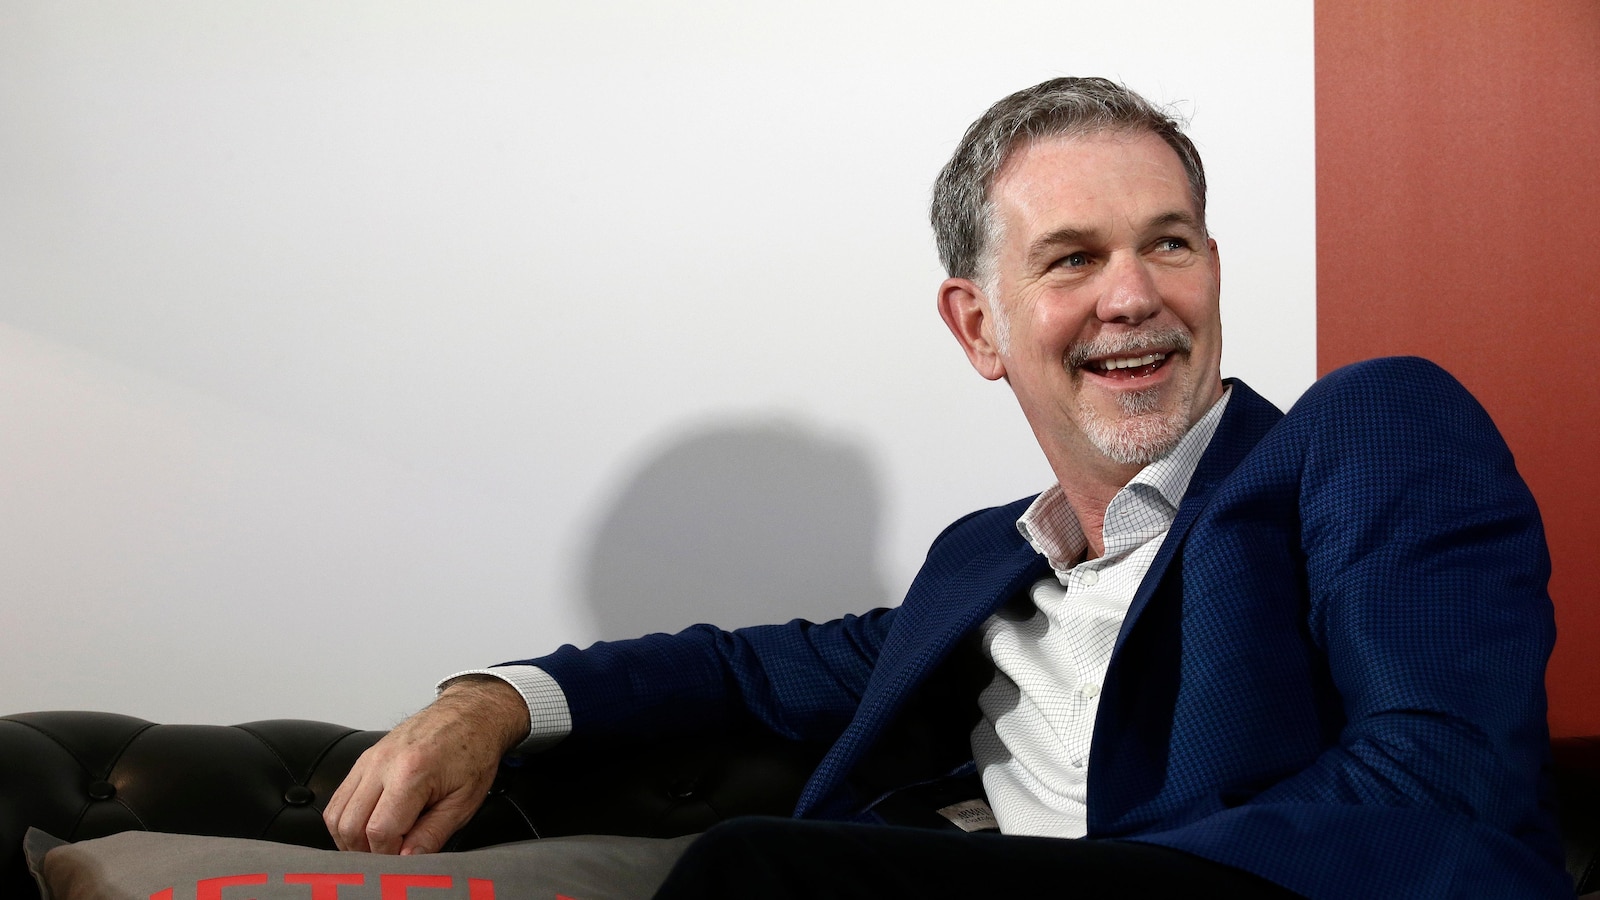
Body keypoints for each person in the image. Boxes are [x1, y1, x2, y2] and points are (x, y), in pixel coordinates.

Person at [324, 77, 1570, 898]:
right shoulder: (983, 570)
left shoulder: (1363, 431)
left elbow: (1438, 785)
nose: (1133, 295)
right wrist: (491, 701)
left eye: (1168, 242)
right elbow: (743, 670)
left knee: (757, 874)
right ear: (980, 327)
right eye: (1071, 259)